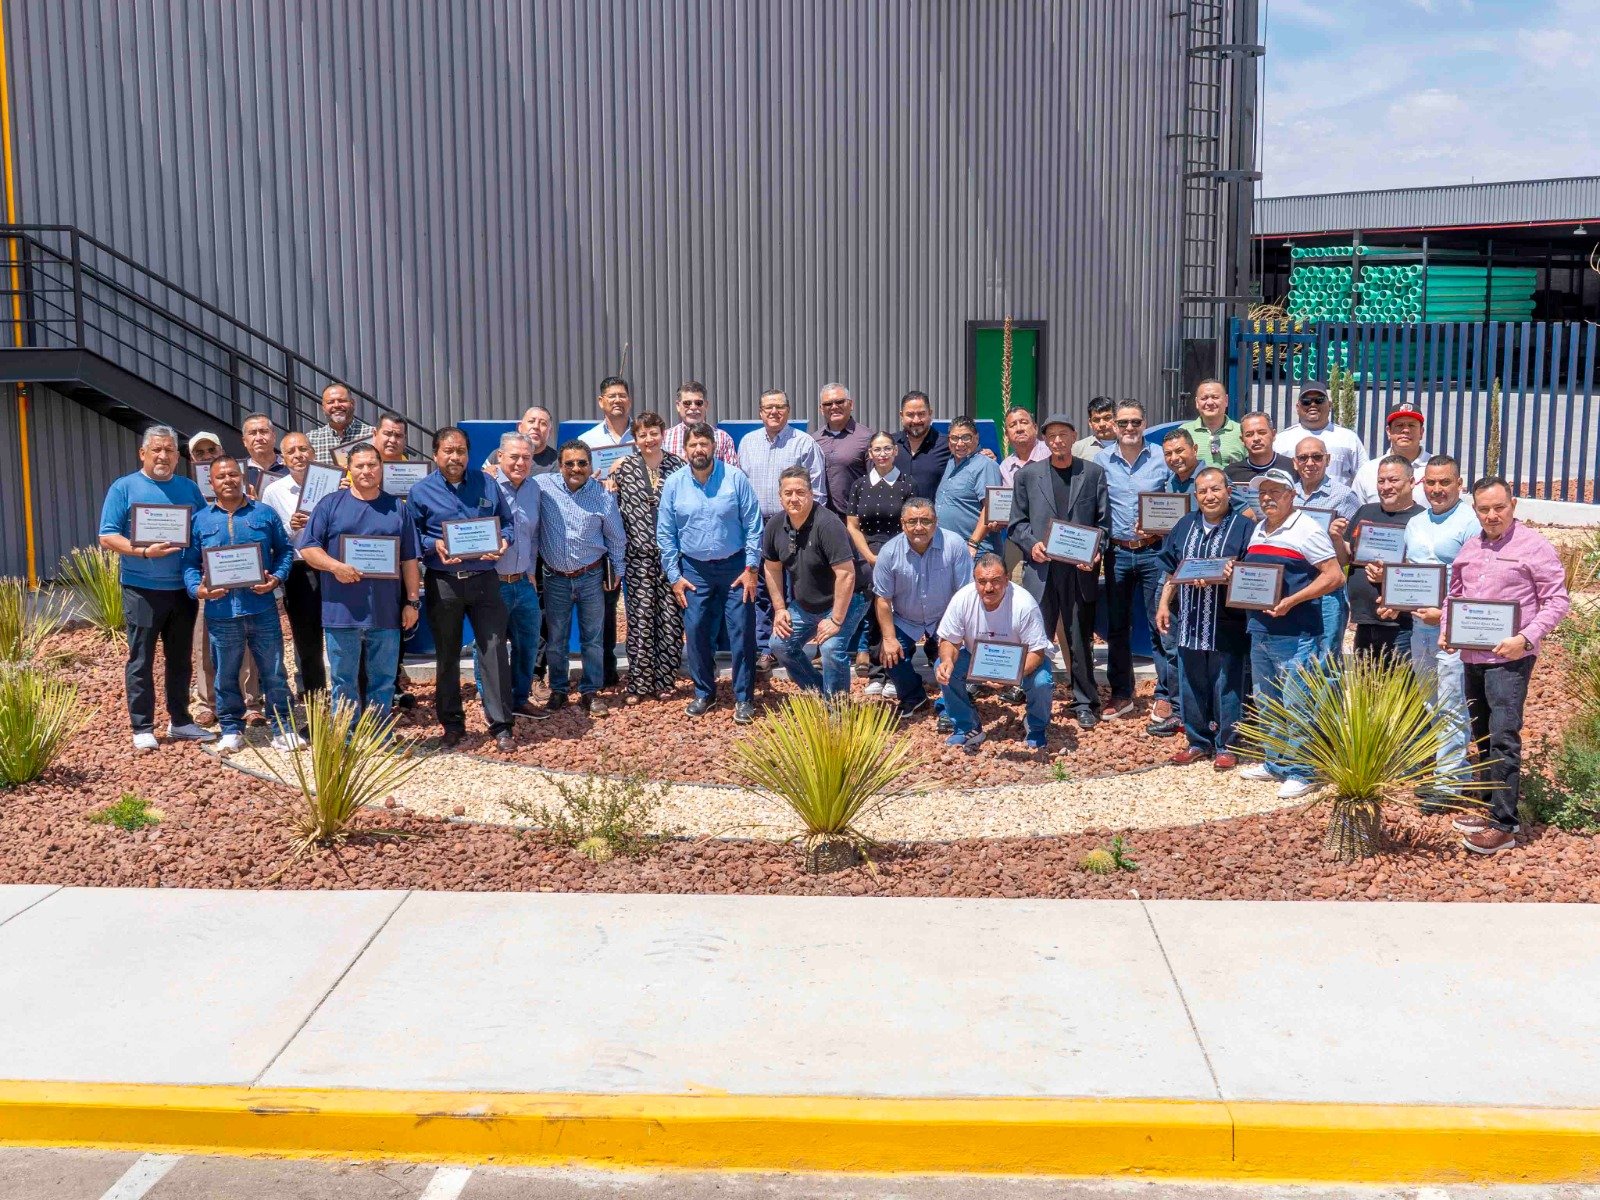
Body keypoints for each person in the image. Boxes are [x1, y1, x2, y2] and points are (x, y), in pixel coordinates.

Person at [1446, 477, 1570, 855]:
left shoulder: (1535, 546)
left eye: (1499, 507)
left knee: (1503, 736)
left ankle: (1504, 825)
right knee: (1482, 734)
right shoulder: (1471, 547)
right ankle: (1489, 809)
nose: (1492, 515)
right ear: (1475, 510)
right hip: (1472, 656)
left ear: (1513, 505)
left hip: (1509, 660)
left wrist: (1526, 639)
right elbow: (1455, 595)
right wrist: (1448, 628)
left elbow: (1557, 601)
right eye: (1484, 509)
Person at [97, 425, 216, 752]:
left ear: (177, 457)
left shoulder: (188, 489)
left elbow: (204, 530)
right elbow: (107, 536)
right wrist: (144, 551)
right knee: (141, 659)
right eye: (157, 450)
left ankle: (180, 721)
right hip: (142, 588)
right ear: (143, 453)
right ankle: (143, 726)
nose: (163, 456)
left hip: (182, 589)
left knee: (180, 659)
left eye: (169, 451)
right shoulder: (124, 487)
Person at [1233, 469, 1345, 799]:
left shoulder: (1307, 529)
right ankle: (1276, 762)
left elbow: (1334, 576)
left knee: (1299, 703)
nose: (1267, 498)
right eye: (1262, 492)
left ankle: (1302, 771)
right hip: (1261, 630)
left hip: (1297, 632)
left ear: (1291, 495)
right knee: (1267, 700)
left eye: (1275, 492)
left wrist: (1292, 601)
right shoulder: (1259, 529)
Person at [406, 426, 516, 751]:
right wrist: (434, 544)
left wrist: (504, 542)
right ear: (435, 454)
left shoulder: (487, 484)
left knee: (494, 650)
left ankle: (501, 725)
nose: (456, 457)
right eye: (449, 451)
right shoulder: (420, 492)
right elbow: (411, 535)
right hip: (444, 583)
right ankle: (452, 723)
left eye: (461, 451)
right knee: (447, 654)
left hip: (484, 581)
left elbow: (507, 523)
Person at [1376, 456, 1479, 803]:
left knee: (1451, 703)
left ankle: (1448, 784)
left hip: (1451, 631)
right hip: (1420, 627)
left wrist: (1445, 614)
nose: (1437, 489)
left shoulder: (1470, 523)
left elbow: (1476, 583)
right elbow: (1411, 571)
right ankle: (1454, 771)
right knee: (1431, 703)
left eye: (1445, 482)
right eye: (1431, 483)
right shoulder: (1416, 523)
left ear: (1459, 484)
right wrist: (1395, 600)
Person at [298, 443, 422, 723]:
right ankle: (345, 736)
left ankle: (377, 733)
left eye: (372, 465)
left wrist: (412, 602)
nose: (367, 470)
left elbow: (409, 560)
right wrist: (335, 566)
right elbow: (308, 548)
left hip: (385, 612)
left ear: (381, 467)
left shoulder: (397, 508)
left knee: (383, 680)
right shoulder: (330, 504)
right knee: (343, 680)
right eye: (360, 465)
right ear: (349, 469)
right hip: (342, 612)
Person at [180, 456, 297, 753]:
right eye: (221, 477)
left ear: (242, 477)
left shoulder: (264, 514)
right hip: (221, 612)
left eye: (233, 474)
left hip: (262, 608)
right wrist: (198, 589)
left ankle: (283, 727)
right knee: (225, 675)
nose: (228, 480)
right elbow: (189, 563)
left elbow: (285, 551)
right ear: (211, 483)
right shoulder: (201, 520)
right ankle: (231, 728)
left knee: (274, 672)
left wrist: (276, 579)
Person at [1009, 412, 1110, 728]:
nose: (1057, 440)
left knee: (1079, 638)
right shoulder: (1028, 476)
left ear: (1074, 436)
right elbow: (1017, 524)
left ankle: (1084, 701)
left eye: (1063, 434)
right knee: (1035, 636)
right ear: (1045, 439)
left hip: (1079, 571)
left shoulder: (1092, 474)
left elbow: (1103, 525)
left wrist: (1096, 550)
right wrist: (1032, 545)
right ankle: (1032, 693)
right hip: (1042, 570)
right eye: (1051, 435)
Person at [657, 422, 762, 722]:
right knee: (696, 631)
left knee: (742, 631)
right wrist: (674, 576)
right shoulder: (674, 483)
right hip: (694, 570)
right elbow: (665, 533)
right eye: (693, 445)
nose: (699, 449)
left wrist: (751, 568)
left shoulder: (735, 478)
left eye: (704, 443)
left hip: (735, 567)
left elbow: (753, 525)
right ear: (685, 449)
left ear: (713, 446)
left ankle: (744, 698)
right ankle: (704, 692)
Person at [1154, 467, 1254, 769]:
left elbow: (1253, 574)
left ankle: (1227, 745)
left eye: (1215, 489)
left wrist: (1232, 575)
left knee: (1227, 684)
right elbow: (1172, 569)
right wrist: (1163, 604)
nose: (1209, 496)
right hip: (1191, 620)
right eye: (1203, 491)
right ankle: (1198, 741)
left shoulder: (1244, 527)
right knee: (1191, 682)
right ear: (1195, 495)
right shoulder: (1185, 525)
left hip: (1227, 621)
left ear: (1228, 492)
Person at [1100, 400, 1178, 730]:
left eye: (1135, 422)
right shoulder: (1101, 460)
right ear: (1114, 426)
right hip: (1116, 553)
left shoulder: (1162, 457)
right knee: (1117, 627)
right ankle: (1122, 692)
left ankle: (1166, 694)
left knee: (1160, 622)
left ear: (1145, 423)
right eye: (1123, 423)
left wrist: (1160, 529)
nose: (1129, 428)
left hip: (1153, 551)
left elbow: (1177, 503)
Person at [535, 440, 627, 715]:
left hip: (591, 577)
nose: (576, 468)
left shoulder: (602, 495)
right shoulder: (542, 486)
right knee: (556, 639)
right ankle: (559, 690)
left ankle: (590, 691)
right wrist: (493, 472)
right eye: (569, 463)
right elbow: (511, 482)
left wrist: (617, 572)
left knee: (593, 639)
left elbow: (616, 538)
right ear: (560, 465)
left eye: (582, 463)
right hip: (555, 579)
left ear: (590, 465)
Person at [738, 390, 827, 660]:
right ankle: (766, 647)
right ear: (760, 412)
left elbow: (817, 490)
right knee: (763, 588)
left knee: (795, 586)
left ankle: (792, 645)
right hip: (757, 526)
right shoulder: (748, 443)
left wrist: (806, 526)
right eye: (768, 407)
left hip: (794, 525)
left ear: (788, 410)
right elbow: (741, 488)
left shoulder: (804, 443)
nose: (774, 412)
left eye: (779, 407)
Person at [763, 465, 866, 699]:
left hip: (849, 597)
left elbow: (846, 575)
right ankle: (820, 694)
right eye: (788, 493)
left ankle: (838, 708)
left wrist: (836, 620)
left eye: (800, 492)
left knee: (830, 647)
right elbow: (772, 568)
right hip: (807, 603)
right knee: (779, 644)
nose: (794, 498)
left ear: (811, 494)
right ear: (780, 497)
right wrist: (779, 609)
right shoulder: (774, 526)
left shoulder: (828, 524)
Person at [935, 553, 1056, 753]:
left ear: (1007, 580)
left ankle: (1035, 725)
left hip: (1021, 660)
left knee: (1041, 682)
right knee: (943, 667)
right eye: (982, 582)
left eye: (996, 581)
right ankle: (967, 726)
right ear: (975, 581)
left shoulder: (1024, 604)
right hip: (976, 657)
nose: (988, 588)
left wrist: (1009, 676)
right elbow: (949, 639)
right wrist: (947, 659)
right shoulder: (962, 599)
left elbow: (1037, 652)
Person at [186, 431, 265, 726]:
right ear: (192, 459)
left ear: (222, 452)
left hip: (246, 576)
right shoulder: (190, 492)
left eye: (212, 450)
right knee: (205, 641)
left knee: (247, 640)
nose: (207, 456)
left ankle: (250, 701)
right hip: (210, 580)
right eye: (200, 452)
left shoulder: (244, 488)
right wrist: (197, 585)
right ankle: (208, 702)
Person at [872, 497, 973, 720]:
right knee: (889, 654)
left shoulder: (955, 545)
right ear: (902, 524)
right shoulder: (889, 552)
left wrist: (959, 634)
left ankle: (950, 704)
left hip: (945, 618)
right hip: (906, 618)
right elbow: (882, 600)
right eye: (912, 521)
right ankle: (913, 696)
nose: (919, 527)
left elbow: (966, 594)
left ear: (936, 522)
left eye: (925, 521)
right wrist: (889, 639)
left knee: (948, 660)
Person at [613, 413, 689, 704]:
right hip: (638, 556)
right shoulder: (624, 468)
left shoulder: (678, 466)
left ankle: (665, 680)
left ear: (663, 434)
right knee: (641, 618)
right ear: (635, 439)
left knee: (670, 618)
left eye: (653, 433)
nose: (649, 439)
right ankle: (640, 682)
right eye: (642, 435)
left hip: (672, 556)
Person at [482, 432, 550, 720]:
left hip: (523, 582)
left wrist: (531, 571)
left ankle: (519, 699)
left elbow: (533, 536)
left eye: (526, 457)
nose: (520, 463)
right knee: (490, 647)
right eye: (514, 457)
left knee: (528, 642)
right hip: (492, 582)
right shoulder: (485, 485)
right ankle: (492, 705)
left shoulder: (535, 488)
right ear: (499, 457)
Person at [847, 431, 916, 697]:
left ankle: (895, 675)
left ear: (895, 451)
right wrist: (869, 556)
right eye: (877, 449)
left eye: (887, 448)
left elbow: (914, 523)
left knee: (899, 615)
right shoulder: (860, 485)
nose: (882, 454)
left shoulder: (908, 484)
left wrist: (891, 557)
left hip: (901, 555)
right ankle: (877, 674)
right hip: (870, 558)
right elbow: (852, 525)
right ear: (870, 454)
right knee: (875, 615)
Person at [260, 432, 329, 699]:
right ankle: (316, 700)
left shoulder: (334, 485)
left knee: (344, 635)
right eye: (291, 451)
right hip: (300, 571)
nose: (298, 455)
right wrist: (291, 526)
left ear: (313, 453)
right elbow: (271, 537)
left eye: (303, 449)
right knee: (307, 640)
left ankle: (349, 699)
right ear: (283, 458)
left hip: (333, 567)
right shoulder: (273, 492)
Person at [1340, 455, 1424, 662]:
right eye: (1381, 481)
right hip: (1364, 620)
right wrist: (1335, 538)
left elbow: (1425, 571)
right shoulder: (1365, 511)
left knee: (1400, 682)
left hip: (1402, 624)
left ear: (1411, 482)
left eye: (1393, 480)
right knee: (1365, 682)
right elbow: (1346, 557)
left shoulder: (1422, 519)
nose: (1386, 487)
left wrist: (1389, 577)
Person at [1290, 435, 1360, 657]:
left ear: (1327, 460)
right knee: (1296, 655)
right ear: (1295, 462)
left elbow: (1349, 556)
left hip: (1328, 591)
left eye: (1317, 457)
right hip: (1292, 586)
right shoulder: (1287, 494)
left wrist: (1337, 538)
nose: (1310, 463)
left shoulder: (1345, 496)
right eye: (1303, 458)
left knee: (1326, 659)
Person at [1273, 381, 1368, 487]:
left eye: (1319, 400)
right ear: (1297, 407)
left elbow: (1364, 477)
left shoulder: (1348, 438)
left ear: (1330, 405)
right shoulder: (1282, 440)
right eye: (1306, 401)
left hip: (1338, 498)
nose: (1313, 404)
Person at [937, 417, 1006, 557]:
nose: (960, 443)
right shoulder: (949, 463)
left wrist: (973, 543)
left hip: (976, 551)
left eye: (966, 437)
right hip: (949, 550)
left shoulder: (986, 465)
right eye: (954, 438)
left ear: (976, 438)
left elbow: (990, 508)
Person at [815, 382, 874, 516]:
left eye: (840, 402)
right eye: (828, 404)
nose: (834, 407)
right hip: (822, 518)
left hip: (854, 518)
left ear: (851, 404)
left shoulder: (867, 438)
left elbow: (875, 481)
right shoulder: (814, 440)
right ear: (821, 409)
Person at [1353, 406, 1430, 506]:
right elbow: (1356, 510)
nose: (1406, 430)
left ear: (1421, 432)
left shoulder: (1437, 469)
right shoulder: (1368, 471)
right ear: (1389, 431)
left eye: (1411, 425)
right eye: (1399, 425)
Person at [1224, 412, 1295, 519]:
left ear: (1273, 434)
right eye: (1249, 434)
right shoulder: (1231, 473)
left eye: (1262, 432)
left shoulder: (1292, 468)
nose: (1256, 438)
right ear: (1242, 440)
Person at [661, 381, 739, 466]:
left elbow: (732, 472)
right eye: (687, 403)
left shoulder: (723, 438)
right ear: (678, 406)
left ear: (706, 405)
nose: (693, 407)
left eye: (698, 403)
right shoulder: (664, 438)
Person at [892, 390, 951, 498]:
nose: (916, 420)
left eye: (921, 414)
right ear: (901, 415)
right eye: (910, 415)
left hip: (933, 509)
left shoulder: (948, 445)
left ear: (930, 413)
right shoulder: (890, 445)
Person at [1179, 379, 1246, 468]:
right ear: (1197, 403)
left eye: (1215, 397)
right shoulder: (1184, 432)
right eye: (1204, 398)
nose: (1210, 402)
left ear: (1226, 400)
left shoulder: (1241, 431)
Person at [307, 382, 375, 465]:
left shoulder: (372, 435)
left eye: (342, 401)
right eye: (330, 402)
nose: (337, 405)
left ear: (352, 403)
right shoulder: (311, 440)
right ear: (323, 407)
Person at [483, 407, 559, 475]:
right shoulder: (501, 454)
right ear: (520, 427)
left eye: (543, 423)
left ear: (550, 432)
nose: (536, 426)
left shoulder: (558, 463)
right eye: (531, 421)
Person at [998, 406, 1051, 488]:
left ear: (1035, 428)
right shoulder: (1006, 467)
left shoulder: (1051, 452)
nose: (1019, 429)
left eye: (1024, 422)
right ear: (1007, 435)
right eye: (1012, 425)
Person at [580, 375, 636, 451]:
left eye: (622, 396)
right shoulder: (588, 441)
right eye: (612, 396)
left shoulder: (646, 437)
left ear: (629, 401)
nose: (617, 400)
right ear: (601, 402)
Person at [241, 413, 288, 496]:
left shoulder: (290, 466)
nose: (258, 438)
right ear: (244, 441)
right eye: (252, 433)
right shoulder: (239, 471)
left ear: (274, 436)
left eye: (263, 432)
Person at [1072, 396, 1116, 462]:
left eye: (1107, 418)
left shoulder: (1128, 445)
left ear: (1116, 418)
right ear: (1090, 423)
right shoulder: (1077, 449)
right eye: (1096, 420)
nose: (1102, 424)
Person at [1161, 428, 1202, 496]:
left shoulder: (1212, 479)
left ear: (1194, 449)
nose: (1174, 458)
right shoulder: (1171, 481)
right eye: (1168, 453)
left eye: (1179, 451)